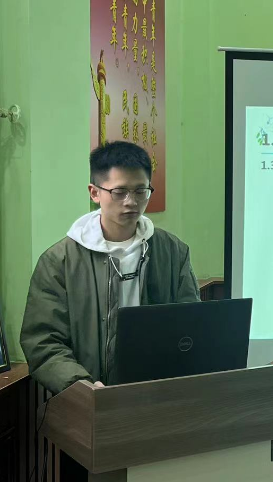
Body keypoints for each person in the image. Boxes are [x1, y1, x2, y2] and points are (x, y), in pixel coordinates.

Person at [20, 141, 200, 395]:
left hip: (158, 394)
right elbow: (43, 341)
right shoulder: (59, 261)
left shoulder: (172, 251)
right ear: (94, 193)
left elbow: (190, 324)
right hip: (87, 396)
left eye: (141, 191)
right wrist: (80, 385)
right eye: (119, 192)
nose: (131, 201)